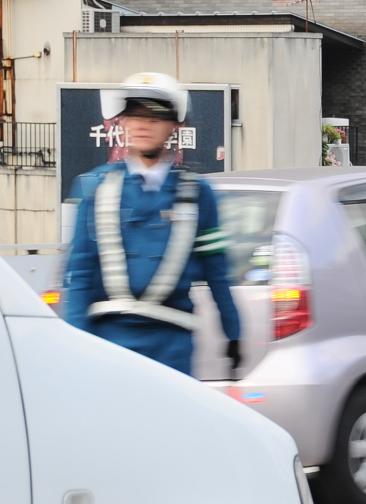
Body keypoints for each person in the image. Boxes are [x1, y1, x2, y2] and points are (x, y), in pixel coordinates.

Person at [64, 72, 241, 376]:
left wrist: (234, 332)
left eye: (155, 116)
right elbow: (79, 273)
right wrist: (73, 341)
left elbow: (217, 272)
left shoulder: (198, 194)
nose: (143, 124)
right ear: (122, 122)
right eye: (134, 115)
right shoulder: (95, 188)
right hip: (109, 344)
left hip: (172, 347)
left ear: (175, 125)